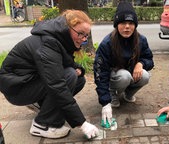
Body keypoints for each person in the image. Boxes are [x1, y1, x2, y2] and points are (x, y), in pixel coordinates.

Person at [0, 10, 99, 139]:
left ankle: (44, 107)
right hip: (17, 89)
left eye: (86, 35)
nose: (83, 39)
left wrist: (80, 69)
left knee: (78, 79)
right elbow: (57, 85)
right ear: (67, 28)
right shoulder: (48, 43)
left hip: (28, 80)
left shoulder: (58, 39)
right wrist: (82, 123)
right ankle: (42, 124)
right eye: (80, 34)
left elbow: (62, 61)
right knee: (69, 76)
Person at [93, 1, 154, 125]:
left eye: (131, 23)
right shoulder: (107, 43)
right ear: (116, 24)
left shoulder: (141, 40)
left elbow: (150, 60)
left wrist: (141, 63)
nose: (127, 27)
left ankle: (128, 94)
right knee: (124, 76)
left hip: (130, 72)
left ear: (135, 25)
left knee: (145, 75)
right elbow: (100, 73)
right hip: (115, 76)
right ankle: (112, 94)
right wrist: (105, 102)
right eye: (123, 23)